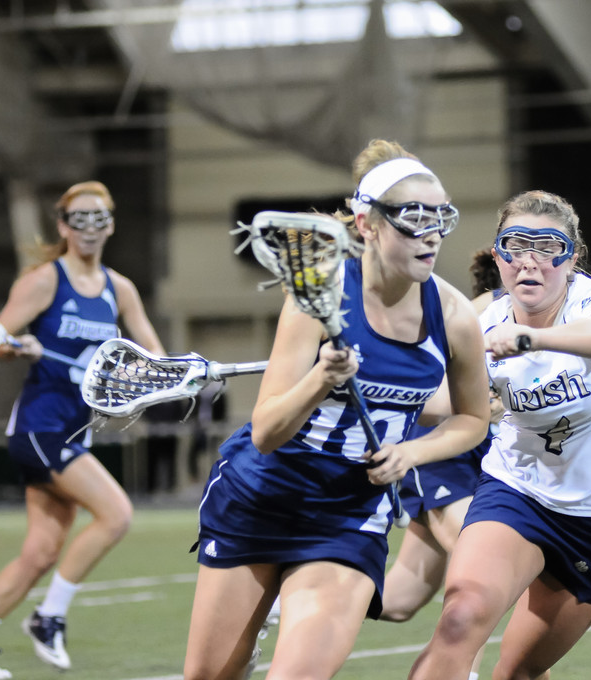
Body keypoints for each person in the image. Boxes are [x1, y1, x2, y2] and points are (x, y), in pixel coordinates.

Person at [182, 139, 490, 680]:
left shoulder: (454, 314)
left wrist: (411, 453)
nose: (433, 234)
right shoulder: (318, 294)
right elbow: (265, 432)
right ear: (367, 223)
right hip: (261, 496)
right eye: (414, 220)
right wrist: (320, 378)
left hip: (348, 516)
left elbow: (472, 419)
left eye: (441, 218)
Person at [409, 190, 591, 680]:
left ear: (571, 259)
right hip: (518, 492)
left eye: (548, 248)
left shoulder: (590, 302)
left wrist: (530, 339)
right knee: (460, 619)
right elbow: (438, 402)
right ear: (499, 257)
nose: (531, 261)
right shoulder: (483, 324)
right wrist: (368, 378)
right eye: (516, 245)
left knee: (519, 672)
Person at [0, 181, 165, 679]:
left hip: (74, 431)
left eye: (98, 218)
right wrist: (18, 346)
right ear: (63, 226)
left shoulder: (118, 288)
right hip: (40, 428)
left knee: (40, 553)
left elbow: (153, 355)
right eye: (78, 219)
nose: (89, 228)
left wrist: (172, 372)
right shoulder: (44, 280)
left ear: (111, 224)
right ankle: (48, 617)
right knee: (116, 514)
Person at [379, 250, 504, 680]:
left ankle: (288, 595)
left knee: (398, 600)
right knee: (487, 574)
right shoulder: (478, 314)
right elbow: (429, 401)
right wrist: (489, 403)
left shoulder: (551, 316)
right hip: (440, 449)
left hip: (483, 459)